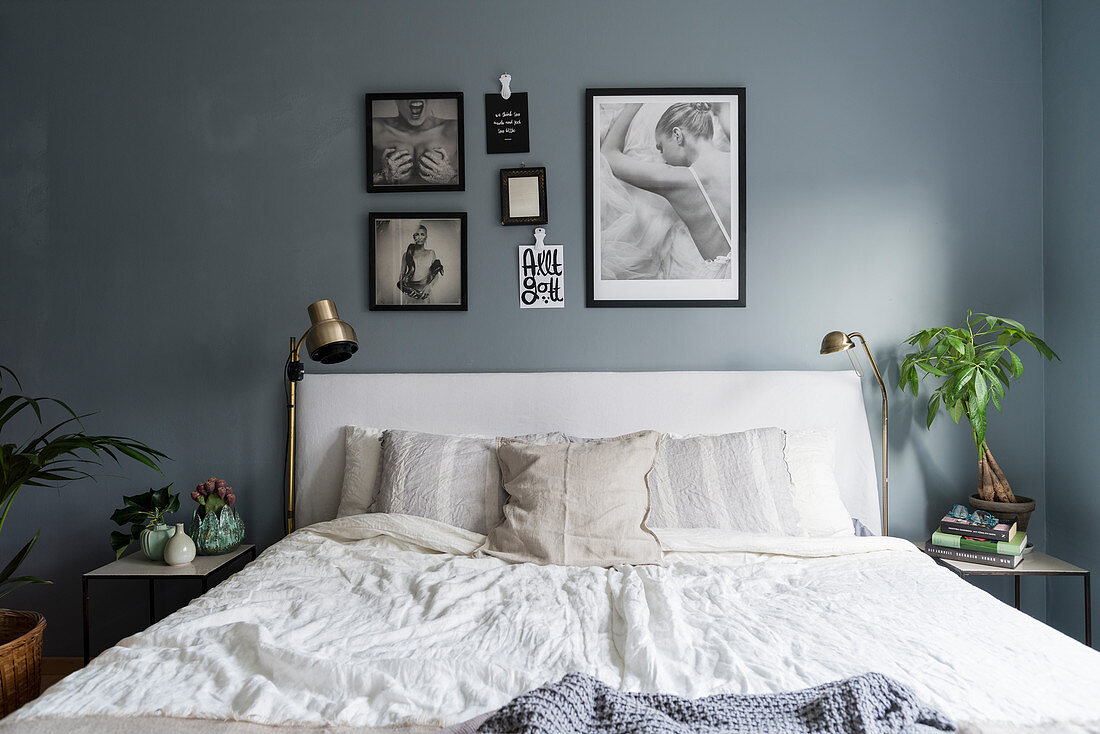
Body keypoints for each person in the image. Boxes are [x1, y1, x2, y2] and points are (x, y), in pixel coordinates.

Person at [600, 102, 733, 278]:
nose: (662, 158)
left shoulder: (679, 179)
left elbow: (608, 154)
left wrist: (634, 102)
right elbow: (725, 109)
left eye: (661, 147)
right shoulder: (740, 158)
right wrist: (720, 109)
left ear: (677, 135)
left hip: (725, 281)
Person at [372, 99, 460, 186]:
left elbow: (471, 180)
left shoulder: (455, 129)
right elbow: (360, 181)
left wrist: (451, 177)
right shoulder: (375, 128)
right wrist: (381, 177)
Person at [397, 223, 444, 303]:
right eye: (417, 234)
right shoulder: (407, 254)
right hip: (411, 293)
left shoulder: (431, 253)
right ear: (413, 237)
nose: (419, 237)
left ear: (426, 236)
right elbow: (402, 274)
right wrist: (406, 289)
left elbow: (436, 275)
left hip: (425, 292)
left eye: (422, 234)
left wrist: (429, 286)